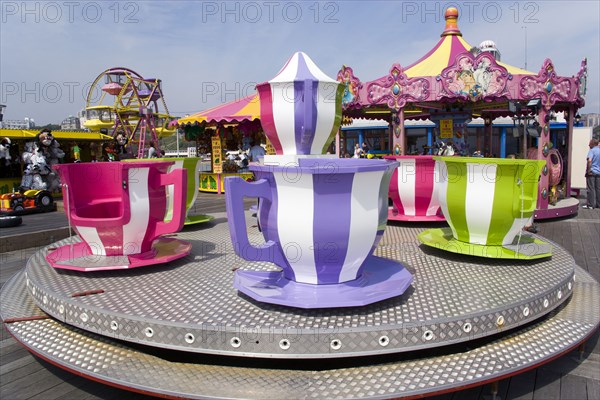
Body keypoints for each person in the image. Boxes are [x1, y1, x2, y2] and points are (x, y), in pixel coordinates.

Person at [583, 138, 600, 209]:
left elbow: (589, 161)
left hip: (592, 172)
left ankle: (590, 205)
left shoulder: (592, 151)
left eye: (590, 143)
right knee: (598, 189)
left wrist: (588, 171)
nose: (588, 145)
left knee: (591, 189)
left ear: (593, 144)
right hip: (599, 173)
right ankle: (598, 204)